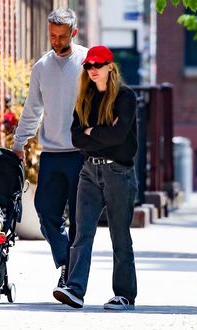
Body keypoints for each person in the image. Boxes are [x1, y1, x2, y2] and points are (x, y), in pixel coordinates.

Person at [53, 45, 138, 310]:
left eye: (97, 65)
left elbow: (119, 136)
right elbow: (77, 138)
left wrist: (92, 133)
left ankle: (124, 295)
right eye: (88, 65)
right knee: (82, 233)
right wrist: (96, 133)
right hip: (89, 170)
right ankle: (75, 289)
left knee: (119, 236)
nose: (92, 70)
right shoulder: (85, 98)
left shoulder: (125, 97)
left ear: (110, 67)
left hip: (119, 172)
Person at [12, 7, 87, 294]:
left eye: (62, 36)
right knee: (45, 212)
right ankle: (67, 263)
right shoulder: (42, 67)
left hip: (81, 154)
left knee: (80, 220)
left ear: (74, 33)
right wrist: (19, 144)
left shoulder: (85, 61)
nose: (56, 41)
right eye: (52, 35)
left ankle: (72, 279)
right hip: (53, 154)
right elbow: (33, 109)